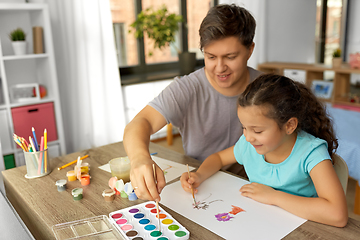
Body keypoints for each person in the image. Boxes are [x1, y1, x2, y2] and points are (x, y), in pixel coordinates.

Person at [123, 4, 262, 201]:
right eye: (210, 57)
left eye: (230, 57)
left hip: (254, 187)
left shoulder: (268, 89)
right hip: (198, 185)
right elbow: (139, 123)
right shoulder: (187, 88)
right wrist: (139, 158)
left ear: (250, 50)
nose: (220, 67)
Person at [180, 73, 348, 227]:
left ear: (289, 125)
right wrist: (199, 175)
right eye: (244, 127)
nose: (248, 137)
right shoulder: (249, 145)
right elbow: (218, 158)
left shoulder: (311, 153)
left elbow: (337, 214)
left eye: (258, 131)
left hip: (304, 227)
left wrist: (273, 196)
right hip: (259, 222)